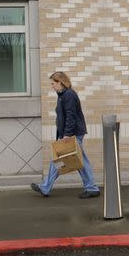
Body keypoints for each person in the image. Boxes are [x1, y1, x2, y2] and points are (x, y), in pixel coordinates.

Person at [31, 71, 102, 199]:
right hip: (67, 134)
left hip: (72, 134)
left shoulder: (69, 95)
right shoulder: (62, 95)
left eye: (53, 84)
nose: (52, 86)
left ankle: (91, 187)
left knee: (78, 161)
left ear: (61, 82)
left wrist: (67, 135)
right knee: (60, 160)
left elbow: (71, 116)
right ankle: (46, 187)